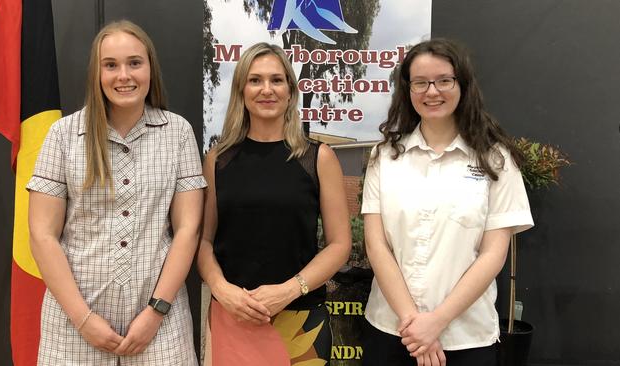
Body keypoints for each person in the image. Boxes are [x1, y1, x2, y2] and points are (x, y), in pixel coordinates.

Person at [27, 20, 204, 365]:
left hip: (160, 323)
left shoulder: (178, 132)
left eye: (134, 63)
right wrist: (84, 319)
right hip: (73, 326)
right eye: (111, 65)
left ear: (150, 68)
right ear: (97, 72)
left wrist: (156, 312)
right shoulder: (62, 136)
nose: (123, 75)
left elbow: (188, 229)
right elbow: (42, 235)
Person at [360, 38, 534, 366]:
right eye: (420, 82)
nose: (432, 91)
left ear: (462, 85)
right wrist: (415, 324)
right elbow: (376, 244)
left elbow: (493, 254)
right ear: (407, 90)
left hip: (466, 337)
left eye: (444, 80)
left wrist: (437, 321)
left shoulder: (496, 159)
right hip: (391, 330)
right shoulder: (384, 157)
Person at [197, 42, 351, 365]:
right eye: (255, 80)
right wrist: (221, 289)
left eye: (276, 80)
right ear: (241, 90)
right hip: (232, 318)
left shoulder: (318, 158)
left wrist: (290, 290)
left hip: (300, 321)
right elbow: (204, 243)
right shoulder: (217, 161)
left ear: (291, 91)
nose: (266, 89)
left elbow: (339, 245)